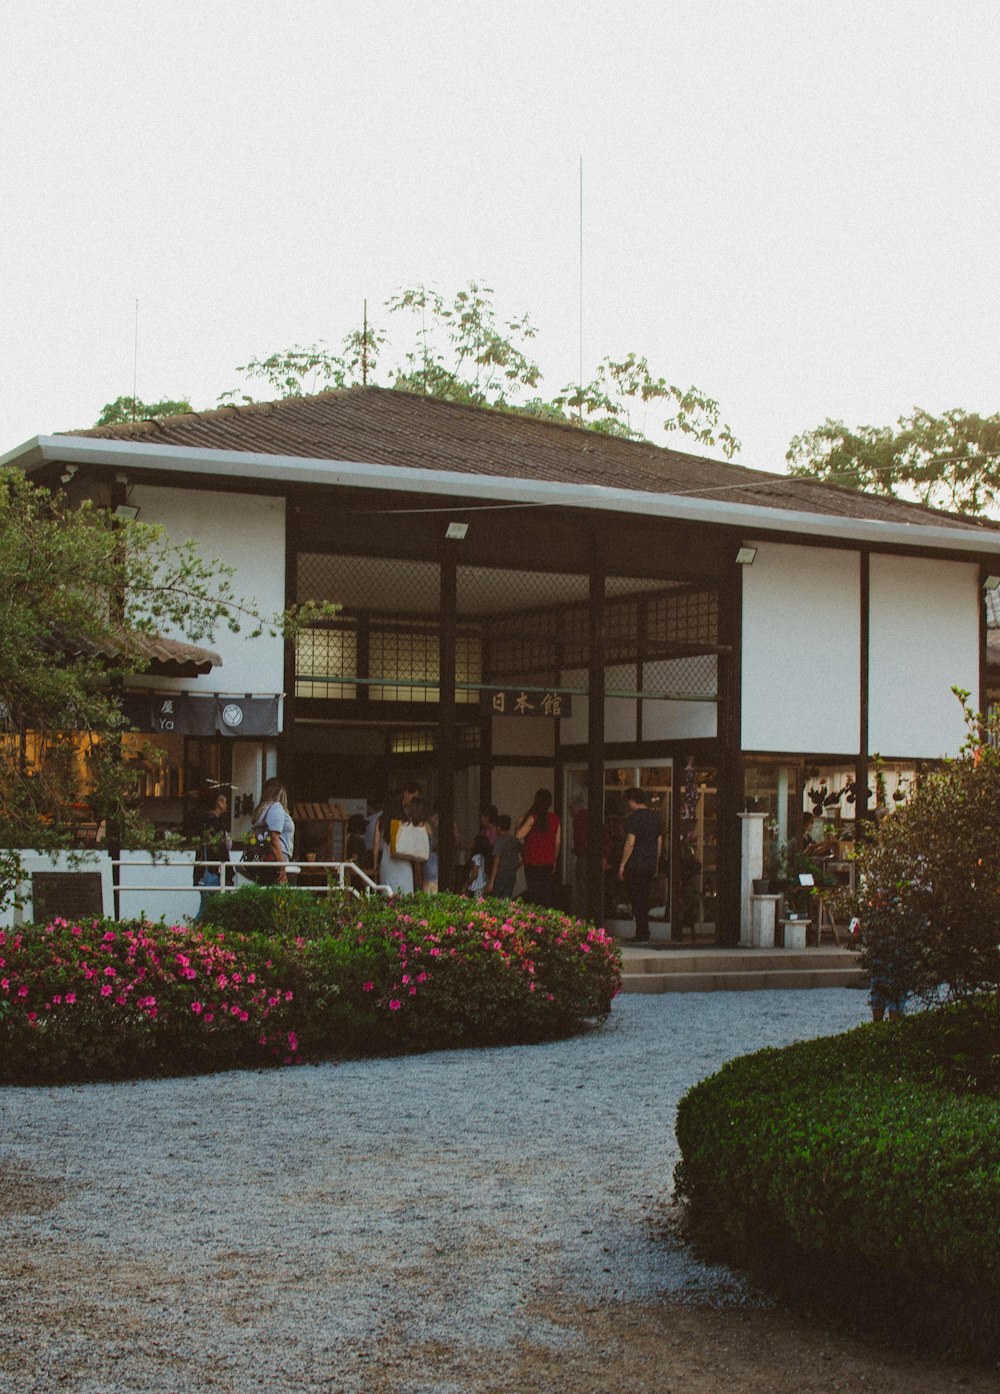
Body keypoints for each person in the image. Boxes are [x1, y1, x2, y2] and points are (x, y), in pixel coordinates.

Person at [617, 787, 662, 944]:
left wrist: (622, 864)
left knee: (637, 899)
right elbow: (659, 842)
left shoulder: (634, 818)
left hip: (635, 863)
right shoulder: (655, 817)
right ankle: (643, 930)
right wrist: (656, 862)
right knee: (644, 897)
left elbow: (630, 842)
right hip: (649, 863)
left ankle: (642, 932)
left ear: (632, 801)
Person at [375, 782, 423, 895]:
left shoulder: (382, 819)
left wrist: (374, 864)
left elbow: (376, 845)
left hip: (387, 863)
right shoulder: (406, 820)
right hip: (404, 862)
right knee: (406, 897)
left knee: (388, 895)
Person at [516, 788, 561, 909]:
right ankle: (545, 917)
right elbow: (557, 842)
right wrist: (554, 860)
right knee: (545, 892)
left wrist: (519, 822)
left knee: (533, 891)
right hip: (547, 860)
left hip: (532, 860)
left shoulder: (533, 817)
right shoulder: (555, 819)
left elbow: (519, 835)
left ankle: (534, 917)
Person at [248, 778, 295, 885]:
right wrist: (282, 867)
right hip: (277, 860)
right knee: (281, 898)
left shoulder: (263, 810)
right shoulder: (276, 808)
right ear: (280, 793)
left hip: (267, 860)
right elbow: (274, 838)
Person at [194, 790, 231, 920]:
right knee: (209, 908)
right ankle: (193, 933)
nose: (227, 805)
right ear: (219, 803)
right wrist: (228, 871)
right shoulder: (216, 823)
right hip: (212, 871)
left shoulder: (202, 822)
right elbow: (220, 849)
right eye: (225, 802)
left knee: (206, 906)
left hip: (201, 871)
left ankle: (195, 933)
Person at [487, 814, 521, 899]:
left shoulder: (499, 842)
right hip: (512, 873)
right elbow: (525, 852)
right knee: (506, 899)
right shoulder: (514, 840)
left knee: (495, 898)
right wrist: (518, 865)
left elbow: (496, 862)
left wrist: (491, 881)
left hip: (501, 873)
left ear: (498, 827)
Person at [465, 834, 491, 899]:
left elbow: (475, 874)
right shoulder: (482, 857)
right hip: (482, 883)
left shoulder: (476, 857)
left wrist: (468, 881)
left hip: (477, 884)